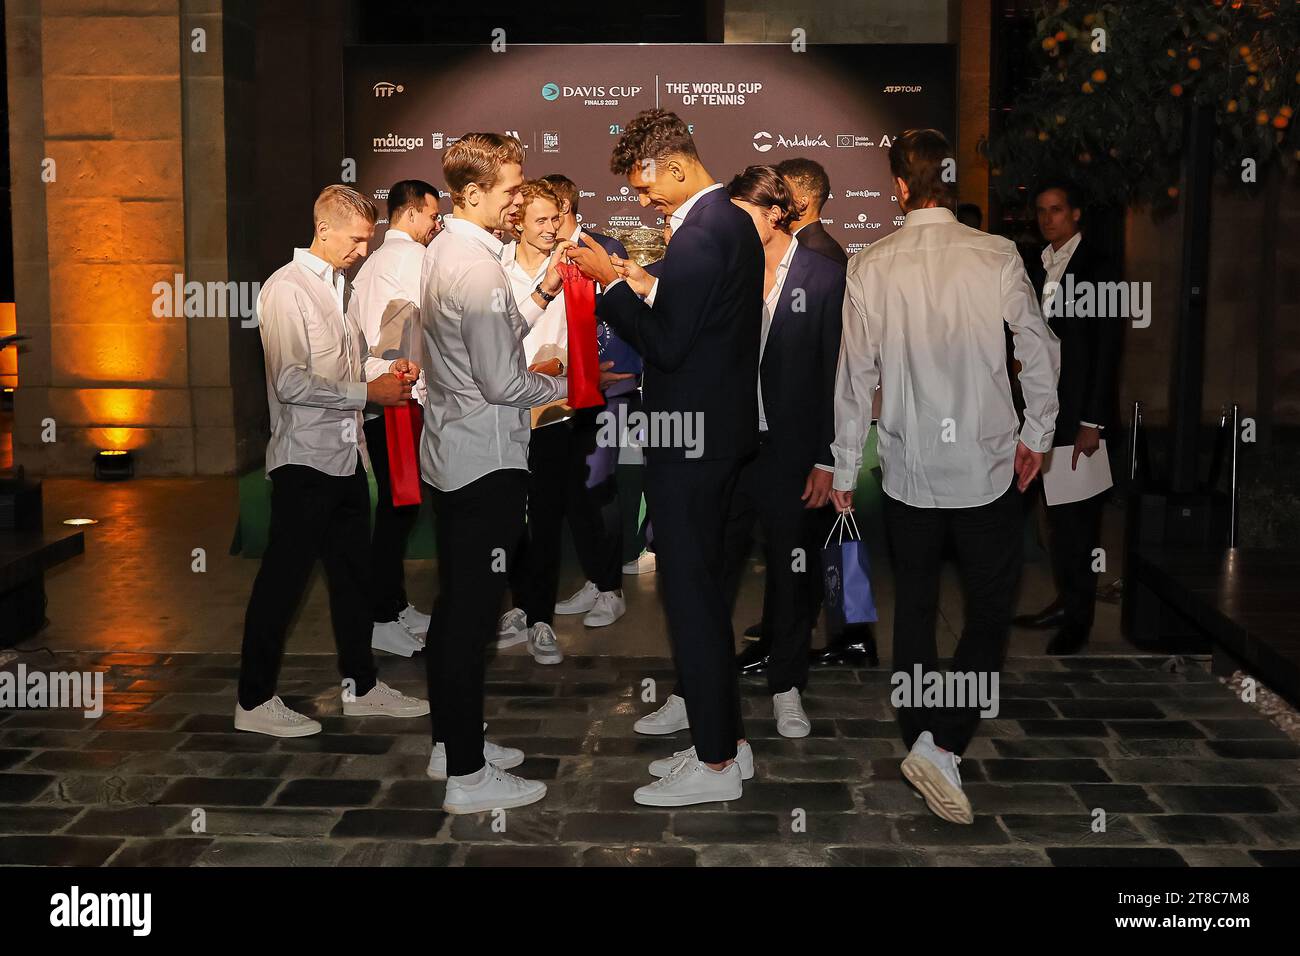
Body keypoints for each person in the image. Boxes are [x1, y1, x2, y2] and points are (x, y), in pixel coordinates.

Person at [830, 129, 1060, 824]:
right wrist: (1037, 434)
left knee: (918, 609)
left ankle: (926, 738)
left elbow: (853, 379)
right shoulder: (996, 253)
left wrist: (844, 464)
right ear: (952, 184)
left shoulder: (870, 264)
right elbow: (1040, 349)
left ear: (900, 187)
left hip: (907, 469)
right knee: (989, 613)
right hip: (989, 465)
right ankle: (945, 742)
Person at [566, 109, 764, 807]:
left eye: (646, 187)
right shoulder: (724, 224)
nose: (642, 200)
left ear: (676, 167)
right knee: (702, 597)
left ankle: (714, 766)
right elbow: (697, 320)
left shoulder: (705, 231)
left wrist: (609, 285)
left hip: (694, 445)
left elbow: (671, 345)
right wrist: (644, 283)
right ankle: (727, 746)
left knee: (692, 601)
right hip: (712, 439)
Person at [236, 185, 429, 738]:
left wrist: (386, 370)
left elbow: (348, 361)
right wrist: (369, 394)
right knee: (283, 583)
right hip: (304, 463)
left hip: (345, 458)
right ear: (323, 229)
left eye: (368, 239)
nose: (363, 250)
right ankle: (253, 700)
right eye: (356, 239)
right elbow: (291, 382)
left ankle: (362, 688)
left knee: (351, 581)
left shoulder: (336, 288)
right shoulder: (285, 290)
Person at [419, 133, 570, 813]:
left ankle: (454, 742)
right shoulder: (475, 267)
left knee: (460, 610)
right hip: (484, 463)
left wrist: (540, 295)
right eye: (512, 190)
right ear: (473, 192)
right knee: (468, 618)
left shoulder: (452, 251)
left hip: (459, 455)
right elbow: (505, 380)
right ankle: (467, 777)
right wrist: (562, 390)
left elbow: (493, 343)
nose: (519, 200)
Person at [719, 165, 844, 737]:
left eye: (744, 213)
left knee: (793, 576)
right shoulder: (727, 269)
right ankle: (696, 686)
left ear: (775, 213)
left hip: (792, 453)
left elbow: (837, 374)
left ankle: (787, 686)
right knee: (712, 571)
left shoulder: (823, 276)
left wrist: (828, 457)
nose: (734, 224)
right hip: (728, 449)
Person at [1012, 179, 1121, 655]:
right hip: (1041, 410)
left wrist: (1093, 421)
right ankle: (1062, 602)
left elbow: (1108, 348)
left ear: (1076, 214)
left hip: (1078, 413)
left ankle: (1079, 617)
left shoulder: (1101, 265)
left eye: (1056, 210)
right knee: (1054, 519)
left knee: (1079, 524)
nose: (1047, 218)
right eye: (1041, 211)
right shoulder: (1036, 265)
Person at [538, 173, 641, 624]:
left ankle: (611, 588)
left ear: (564, 209)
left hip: (607, 389)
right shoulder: (545, 257)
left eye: (544, 212)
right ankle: (596, 580)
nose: (536, 222)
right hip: (567, 394)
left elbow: (618, 319)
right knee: (576, 490)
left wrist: (599, 377)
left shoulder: (603, 249)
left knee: (598, 486)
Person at [346, 179, 442, 658]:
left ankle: (394, 605)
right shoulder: (413, 259)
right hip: (400, 395)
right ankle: (381, 615)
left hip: (386, 396)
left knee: (399, 504)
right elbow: (432, 323)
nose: (435, 224)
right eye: (431, 215)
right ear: (410, 213)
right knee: (399, 506)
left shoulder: (372, 266)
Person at [776, 157, 848, 268]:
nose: (776, 198)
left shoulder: (819, 253)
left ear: (802, 203)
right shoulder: (806, 245)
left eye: (782, 193)